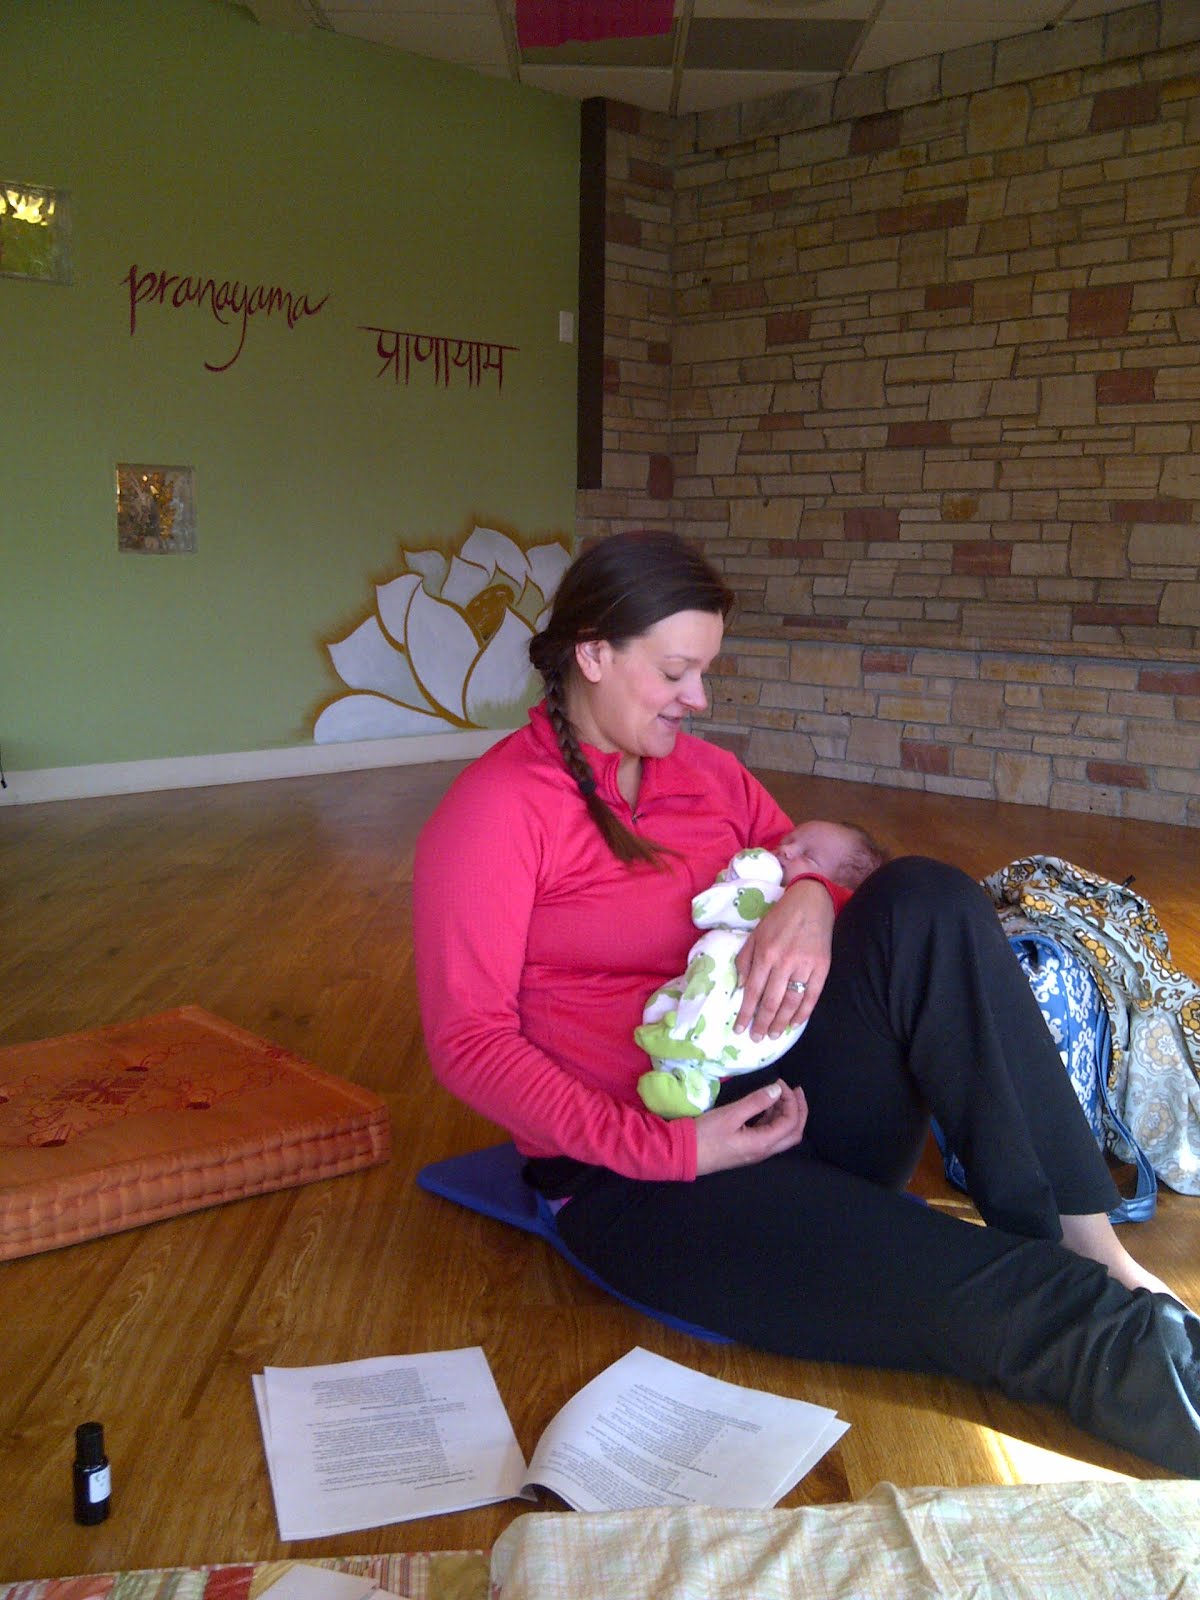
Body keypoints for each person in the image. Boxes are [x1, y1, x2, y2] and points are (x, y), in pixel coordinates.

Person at [413, 529, 1200, 1478]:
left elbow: (802, 862)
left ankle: (1088, 1240)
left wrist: (814, 901)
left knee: (927, 896)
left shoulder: (709, 777)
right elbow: (469, 1044)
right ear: (592, 654)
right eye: (677, 672)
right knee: (982, 1296)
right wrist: (674, 1149)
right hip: (645, 1180)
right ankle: (1151, 1365)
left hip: (787, 1102)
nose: (699, 699)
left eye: (705, 672)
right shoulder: (496, 810)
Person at [635, 823, 887, 1117]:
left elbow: (708, 909)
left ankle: (689, 1041)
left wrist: (816, 892)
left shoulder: (775, 898)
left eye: (808, 856)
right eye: (789, 841)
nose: (785, 849)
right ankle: (689, 1089)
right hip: (747, 1036)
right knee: (666, 1001)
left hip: (755, 1022)